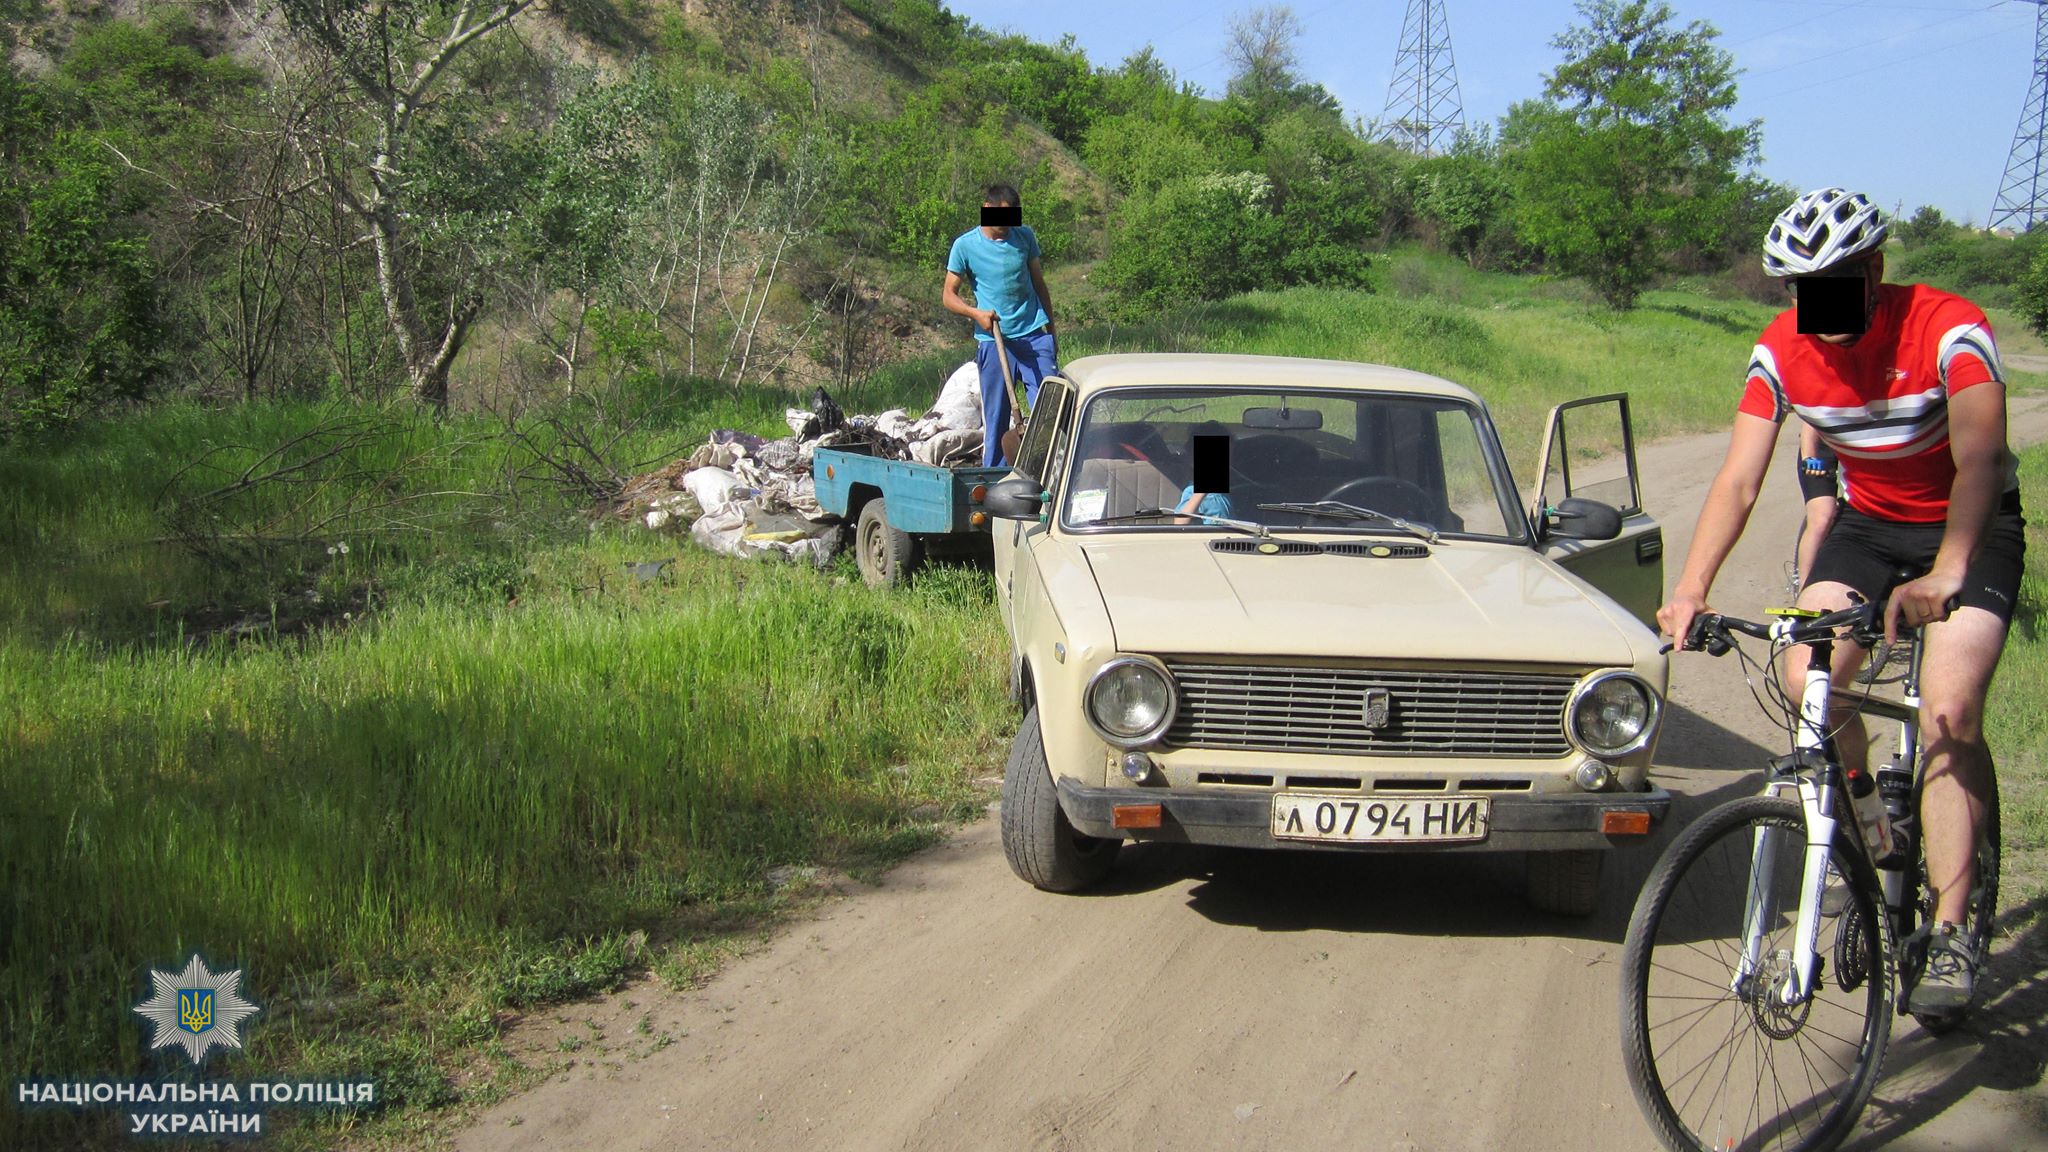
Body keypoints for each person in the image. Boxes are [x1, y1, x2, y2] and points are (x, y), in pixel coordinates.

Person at [1656, 187, 2023, 1013]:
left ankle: (1957, 936)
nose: (1814, 306)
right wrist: (1690, 591)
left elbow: (1982, 462)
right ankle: (1869, 811)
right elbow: (1742, 477)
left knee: (1950, 711)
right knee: (1803, 678)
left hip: (1971, 525)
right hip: (1869, 526)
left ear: (1876, 270)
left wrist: (1948, 573)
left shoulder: (1947, 325)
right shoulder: (1781, 350)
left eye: (1835, 281)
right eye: (1799, 287)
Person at [941, 183, 1059, 467]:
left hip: (1033, 336)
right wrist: (976, 313)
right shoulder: (965, 245)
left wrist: (1052, 331)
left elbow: (1039, 284)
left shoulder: (1024, 236)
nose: (1006, 227)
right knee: (995, 418)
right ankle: (993, 481)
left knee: (1051, 412)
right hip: (994, 341)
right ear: (986, 210)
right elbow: (948, 296)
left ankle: (1050, 473)